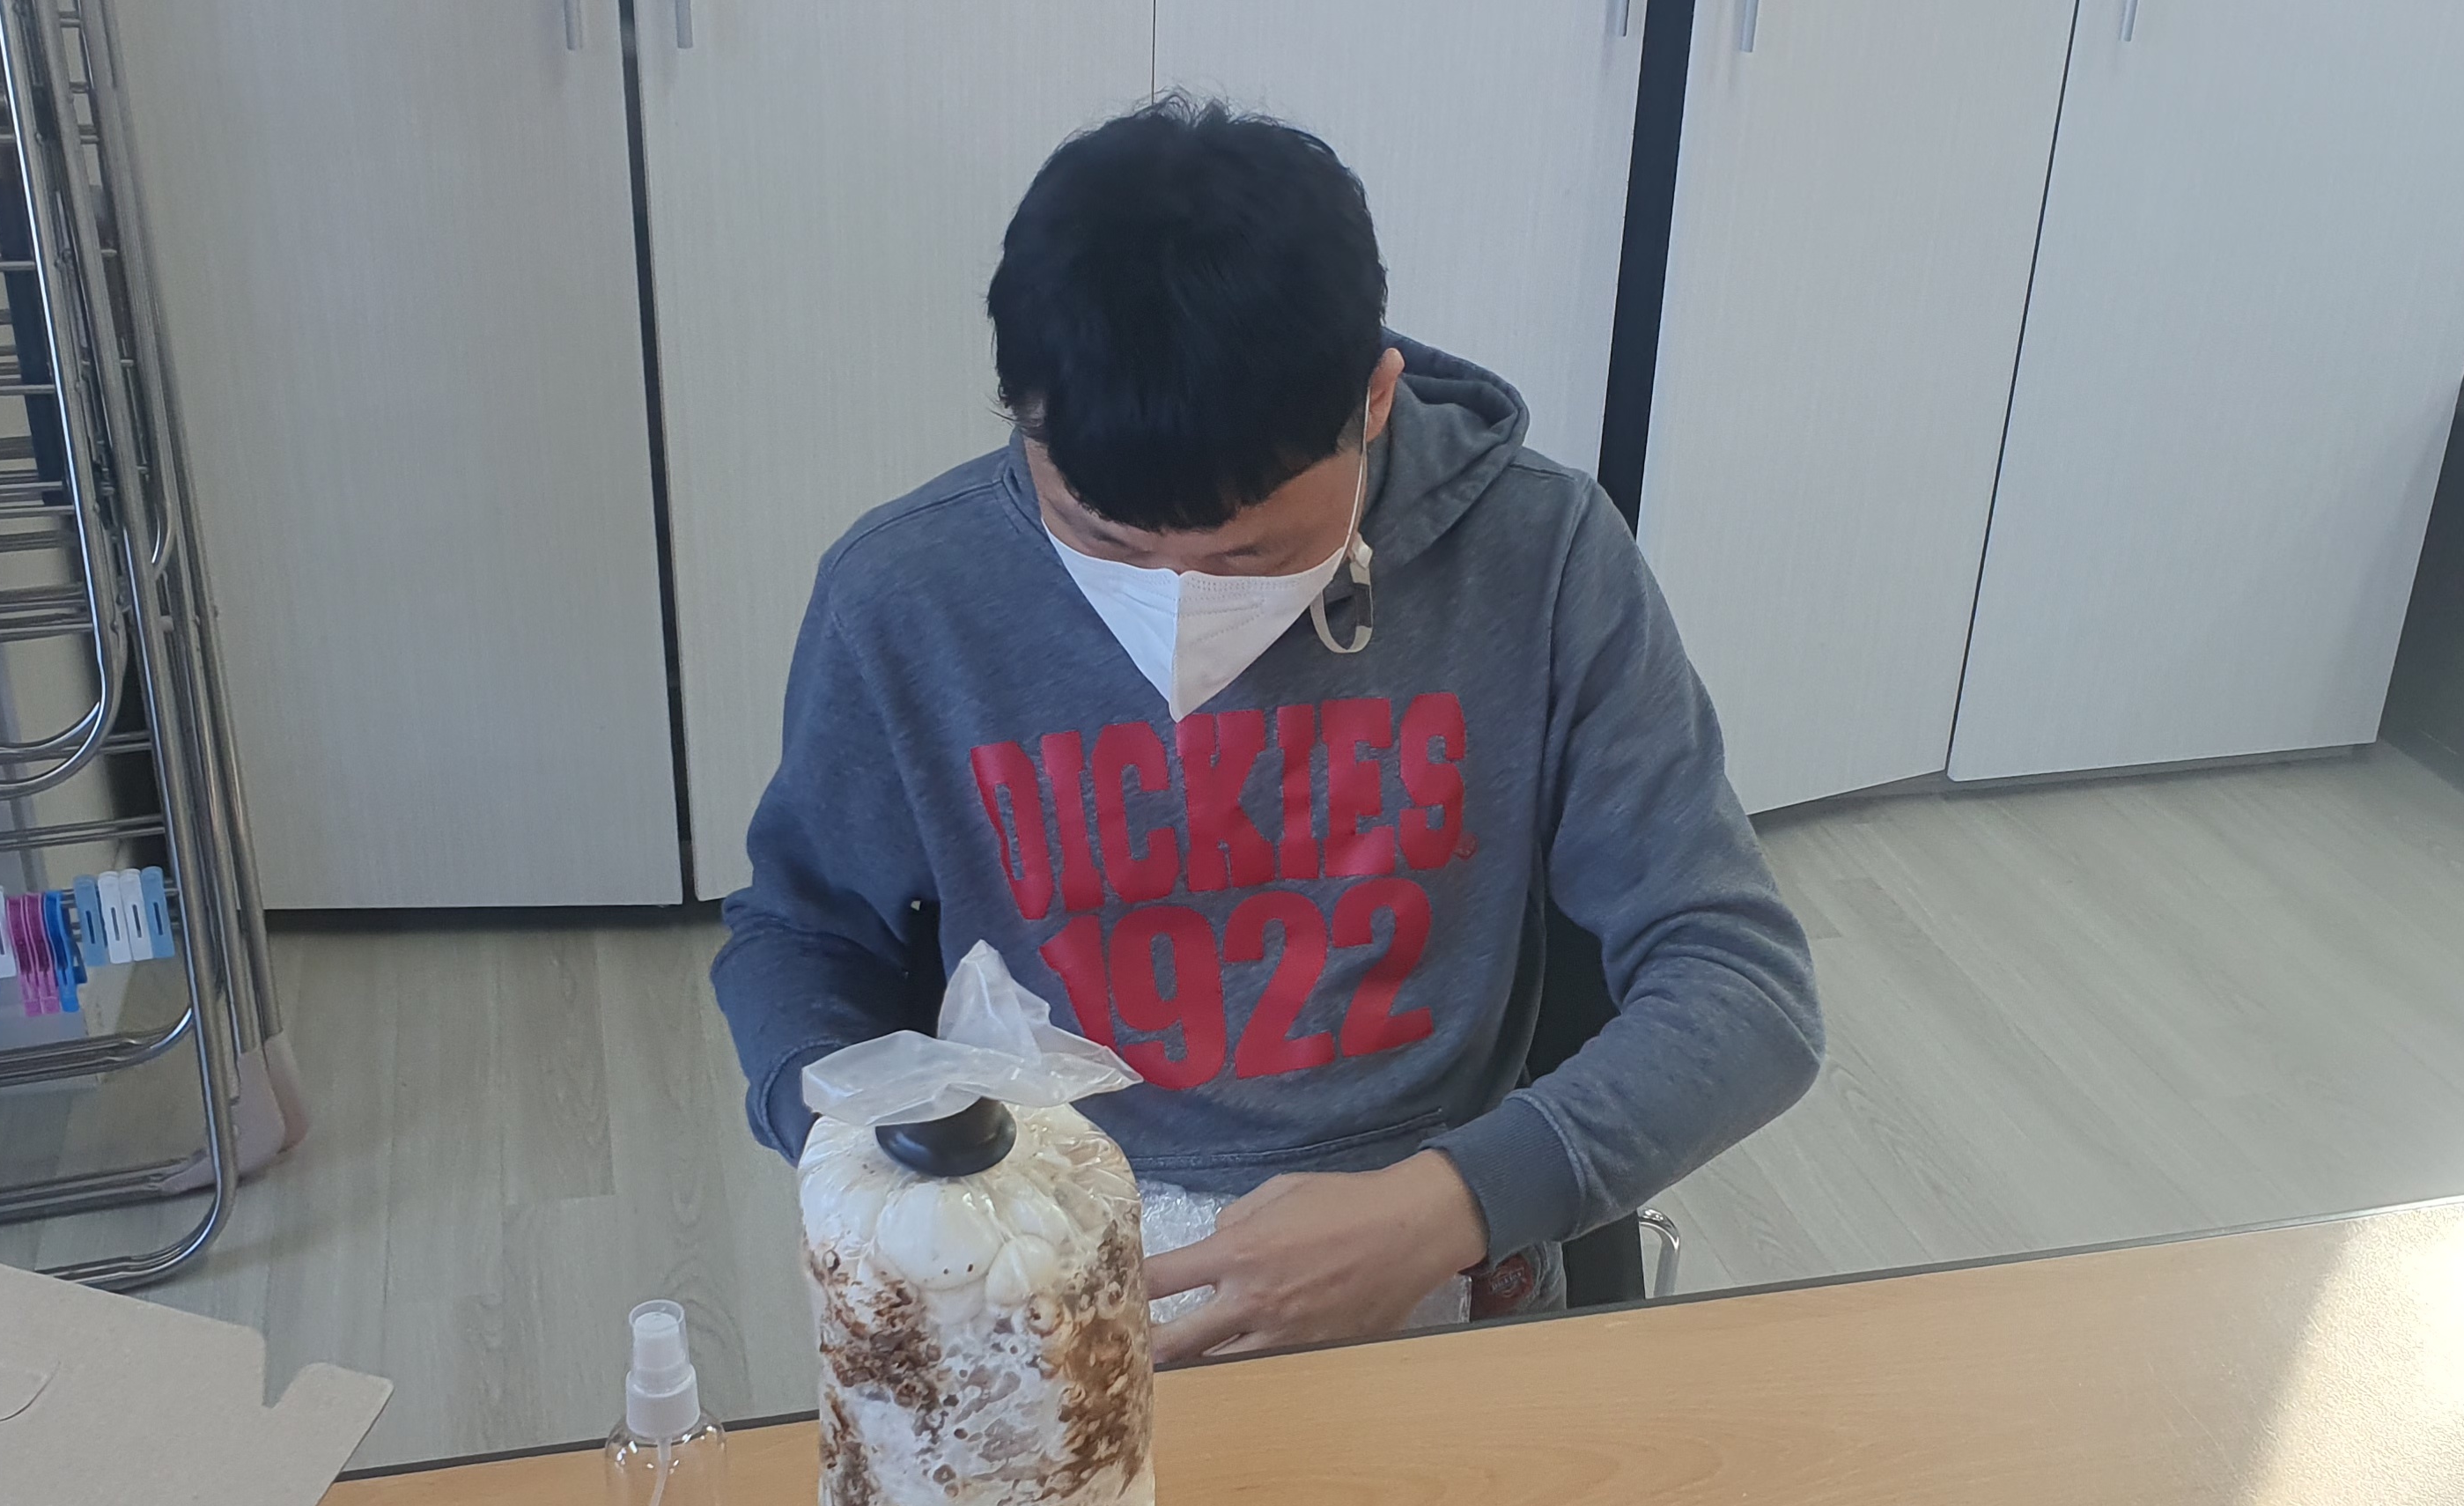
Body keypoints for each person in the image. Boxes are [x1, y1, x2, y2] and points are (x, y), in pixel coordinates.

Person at [713, 98, 1819, 1361]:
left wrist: (1451, 1207)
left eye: (1249, 554)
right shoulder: (908, 593)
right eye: (1107, 542)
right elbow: (802, 934)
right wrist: (865, 1162)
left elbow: (1746, 987)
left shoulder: (1540, 555)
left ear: (1377, 401)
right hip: (1039, 1228)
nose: (1179, 598)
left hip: (1422, 1237)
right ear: (1024, 417)